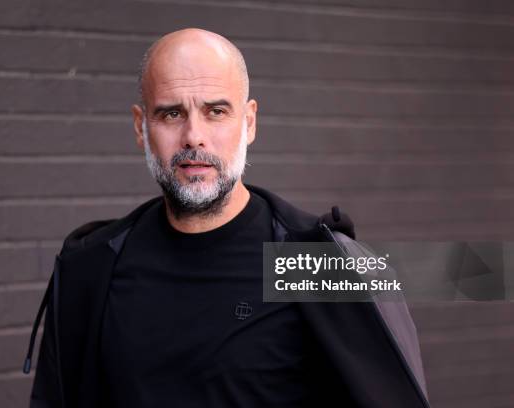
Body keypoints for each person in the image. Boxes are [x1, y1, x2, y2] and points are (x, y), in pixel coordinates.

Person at [24, 28, 430, 408]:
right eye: (170, 114)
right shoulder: (93, 269)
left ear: (249, 122)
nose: (194, 136)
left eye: (216, 111)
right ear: (140, 127)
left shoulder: (319, 265)